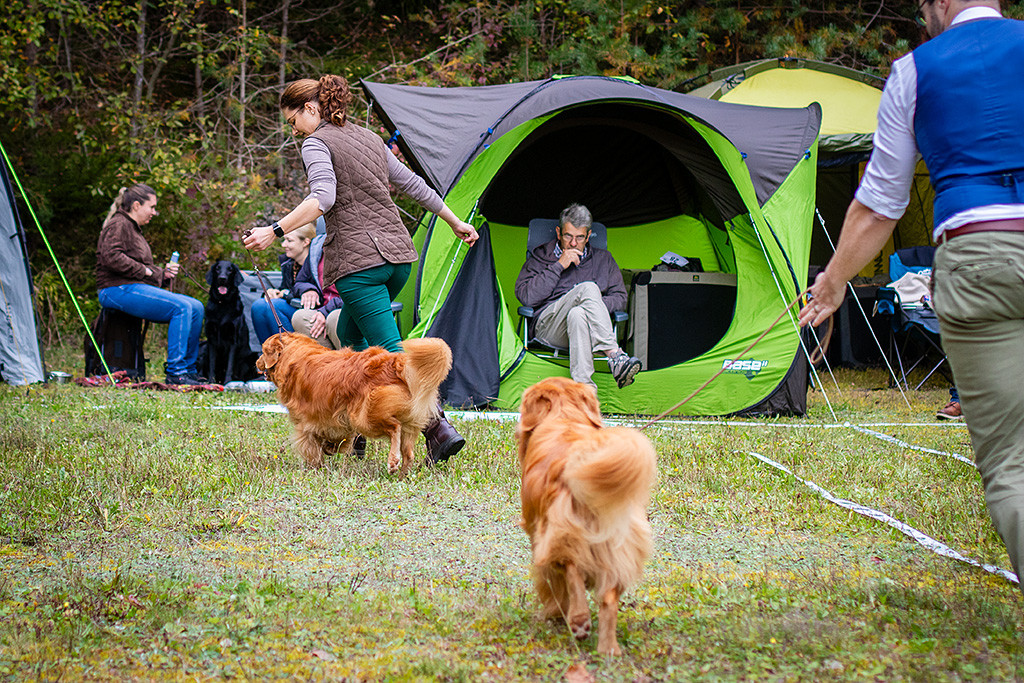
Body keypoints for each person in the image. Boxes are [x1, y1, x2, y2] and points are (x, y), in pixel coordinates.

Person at [799, 0, 1024, 590]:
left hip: (978, 257)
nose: (924, 17)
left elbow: (879, 203)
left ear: (942, 3)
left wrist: (833, 281)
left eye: (924, 6)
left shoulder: (916, 71)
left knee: (1009, 463)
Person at [241, 74, 479, 464]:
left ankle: (438, 429)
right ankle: (351, 427)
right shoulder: (368, 137)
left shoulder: (316, 142)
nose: (293, 130)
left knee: (390, 353)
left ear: (311, 109)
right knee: (346, 341)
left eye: (292, 120)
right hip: (398, 258)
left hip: (359, 265)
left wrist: (275, 230)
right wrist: (454, 221)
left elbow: (323, 198)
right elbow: (412, 184)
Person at [514, 203, 642, 390]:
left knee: (577, 314)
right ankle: (615, 356)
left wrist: (591, 306)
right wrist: (558, 265)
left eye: (580, 237)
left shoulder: (604, 259)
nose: (573, 243)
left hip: (586, 329)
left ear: (588, 236)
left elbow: (621, 298)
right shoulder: (541, 256)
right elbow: (526, 297)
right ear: (559, 233)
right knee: (588, 288)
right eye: (568, 236)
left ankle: (585, 393)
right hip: (550, 327)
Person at [95, 184, 206, 385]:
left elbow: (139, 268)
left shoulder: (132, 228)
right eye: (152, 207)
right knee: (181, 307)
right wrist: (146, 271)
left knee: (196, 307)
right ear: (137, 205)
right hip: (113, 289)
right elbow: (111, 257)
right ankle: (176, 371)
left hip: (130, 287)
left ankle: (189, 370)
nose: (154, 212)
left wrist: (162, 275)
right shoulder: (119, 224)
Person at [250, 222, 316, 343]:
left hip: (310, 312)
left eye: (289, 240)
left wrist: (284, 295)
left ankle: (288, 353)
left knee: (274, 307)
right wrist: (273, 292)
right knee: (258, 306)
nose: (284, 244)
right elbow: (285, 288)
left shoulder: (317, 265)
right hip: (292, 305)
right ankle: (268, 354)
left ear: (305, 242)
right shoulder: (289, 264)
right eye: (284, 240)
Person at [290, 231, 347, 349]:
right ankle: (327, 362)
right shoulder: (317, 248)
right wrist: (309, 289)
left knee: (334, 317)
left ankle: (350, 363)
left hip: (350, 307)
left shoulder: (355, 246)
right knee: (300, 317)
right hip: (323, 307)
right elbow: (299, 282)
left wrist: (325, 312)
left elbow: (355, 292)